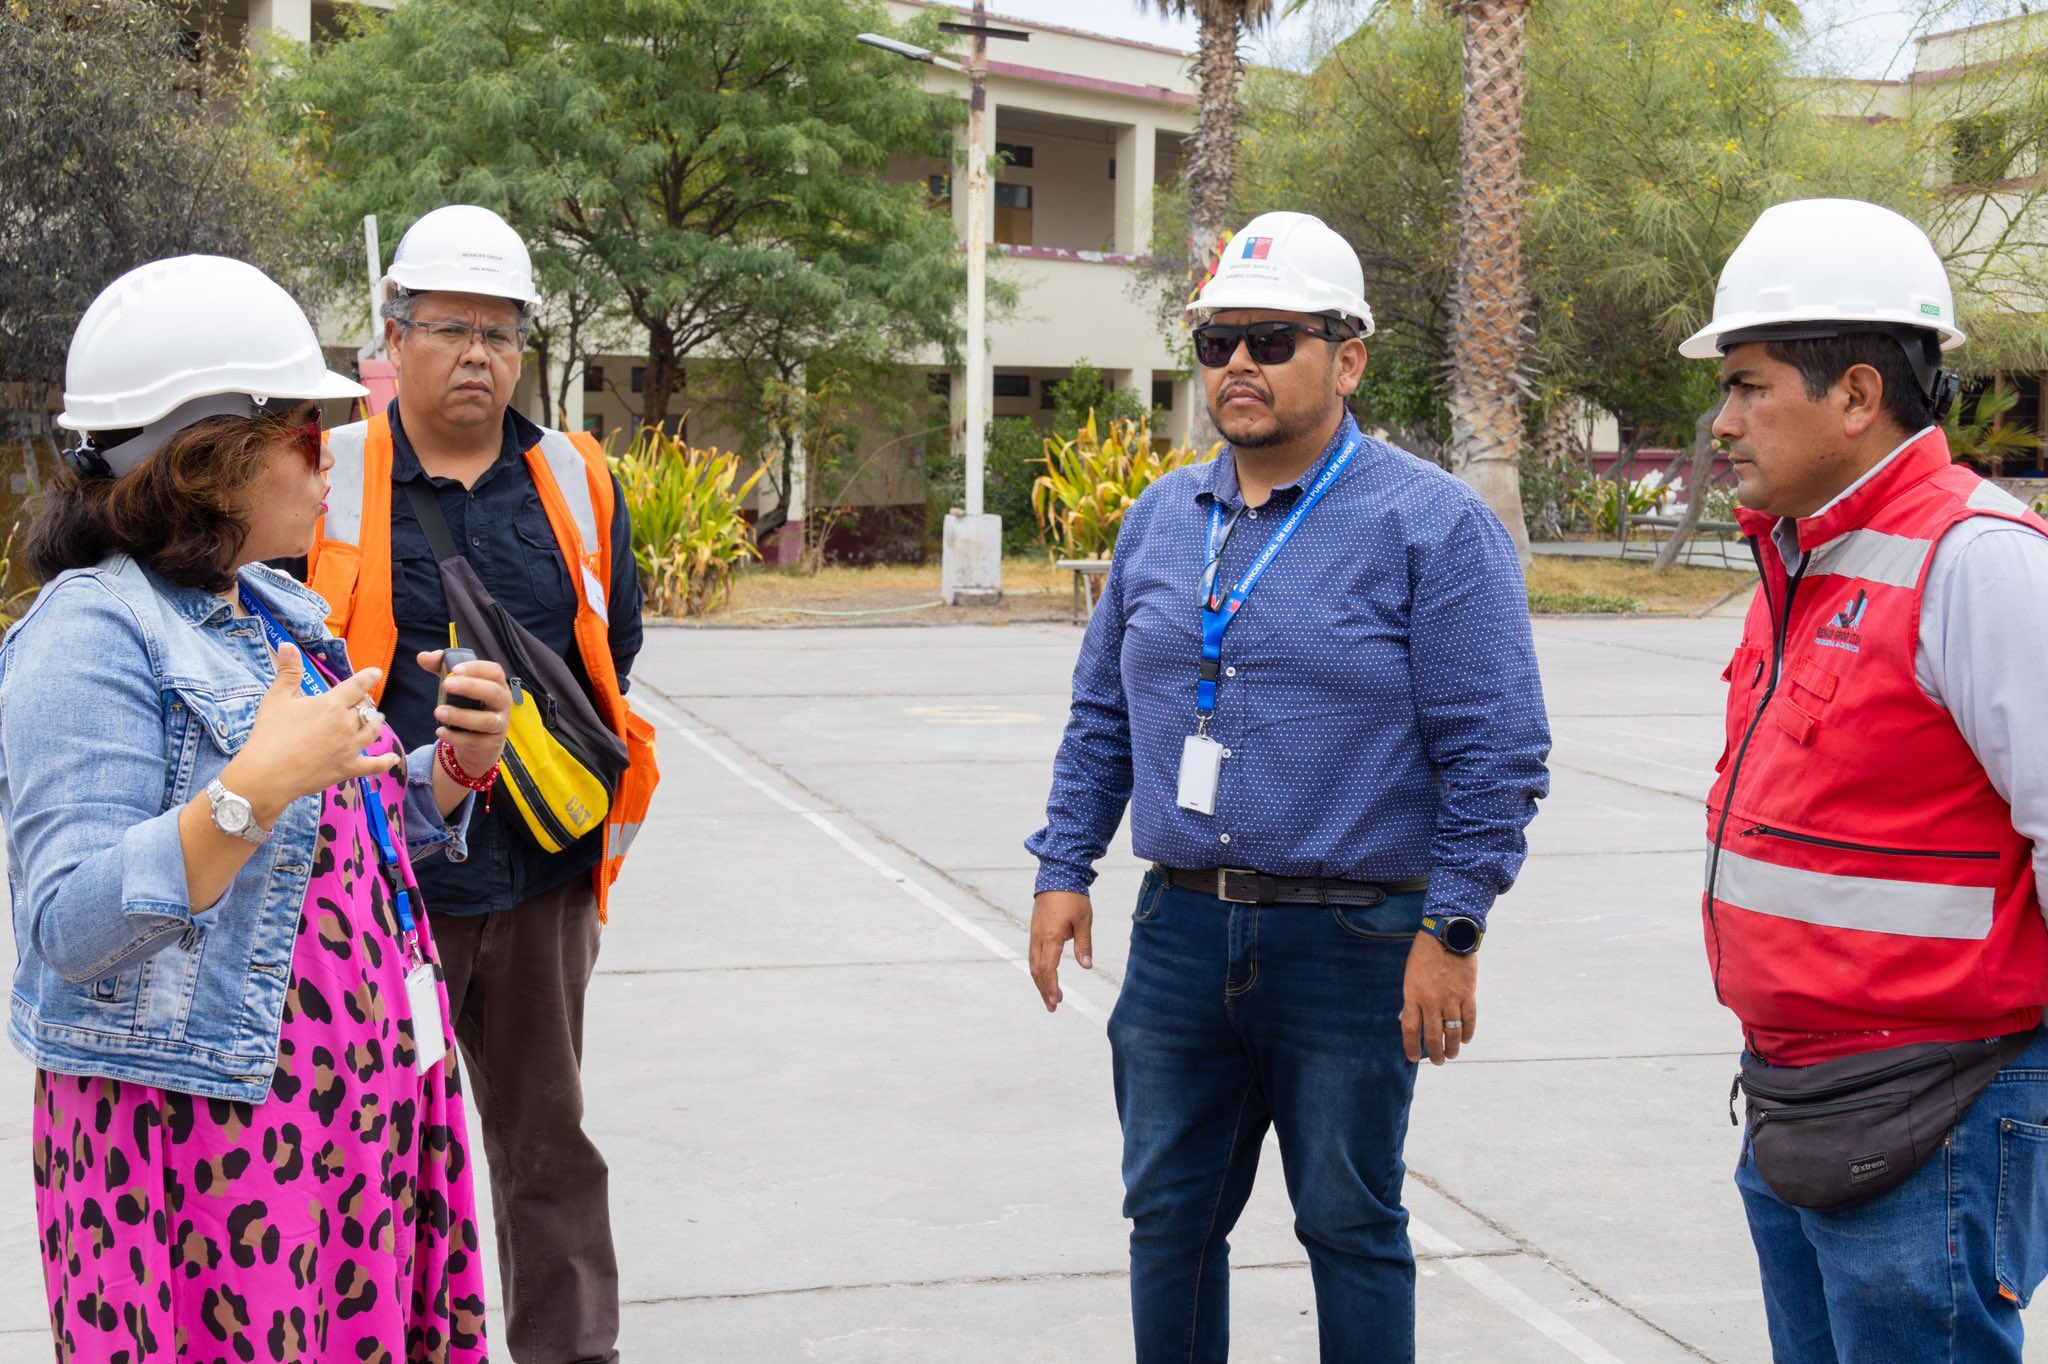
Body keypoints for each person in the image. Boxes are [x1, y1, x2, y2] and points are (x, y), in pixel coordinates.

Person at [1025, 210, 1552, 1363]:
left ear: (1346, 356)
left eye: (1271, 338)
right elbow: (1102, 713)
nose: (1238, 367)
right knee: (1166, 1217)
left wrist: (1450, 928)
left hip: (1354, 942)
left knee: (1350, 1224)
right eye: (1216, 342)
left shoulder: (1430, 524)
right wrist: (1063, 867)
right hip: (1177, 930)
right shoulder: (1162, 518)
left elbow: (1497, 748)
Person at [1, 254, 516, 1360]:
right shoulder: (85, 635)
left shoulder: (278, 604)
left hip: (361, 1118)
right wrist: (247, 790)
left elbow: (344, 857)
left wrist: (449, 772)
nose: (326, 454)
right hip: (205, 1147)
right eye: (297, 429)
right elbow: (68, 923)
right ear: (205, 456)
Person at [1690, 198, 2048, 1363]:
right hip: (1796, 1096)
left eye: (1747, 386)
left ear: (1853, 393)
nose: (1721, 420)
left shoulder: (1977, 562)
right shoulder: (1799, 556)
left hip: (1938, 1110)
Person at [300, 204, 658, 1364]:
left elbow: (615, 647)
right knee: (378, 1142)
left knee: (548, 1142)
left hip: (541, 879)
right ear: (392, 335)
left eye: (501, 334)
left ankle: (572, 1350)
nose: (479, 356)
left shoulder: (575, 476)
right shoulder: (328, 474)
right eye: (452, 329)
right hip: (375, 882)